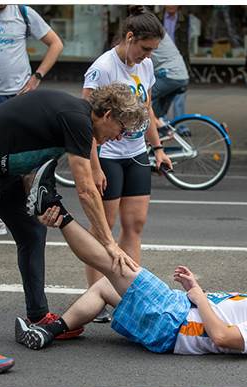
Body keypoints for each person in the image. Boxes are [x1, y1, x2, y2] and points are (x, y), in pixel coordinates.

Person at [15, 160, 247, 356]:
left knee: (113, 262)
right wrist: (195, 293)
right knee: (103, 287)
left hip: (173, 319)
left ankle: (53, 209)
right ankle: (49, 331)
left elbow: (223, 337)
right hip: (174, 315)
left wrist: (195, 293)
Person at [0, 83, 146, 373]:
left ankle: (38, 316)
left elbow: (34, 153)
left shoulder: (76, 118)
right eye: (121, 129)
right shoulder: (78, 119)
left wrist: (38, 198)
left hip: (1, 167)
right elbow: (87, 189)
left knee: (32, 232)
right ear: (108, 114)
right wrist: (109, 244)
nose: (120, 137)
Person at [83, 7, 173, 323]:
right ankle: (95, 298)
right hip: (106, 155)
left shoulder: (145, 66)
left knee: (135, 225)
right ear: (130, 37)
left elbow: (146, 109)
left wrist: (158, 148)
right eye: (145, 48)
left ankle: (126, 292)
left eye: (152, 51)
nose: (147, 56)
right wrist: (93, 166)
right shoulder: (103, 68)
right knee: (102, 229)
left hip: (136, 152)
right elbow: (86, 120)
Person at [161, 6, 192, 118]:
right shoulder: (157, 18)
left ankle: (180, 125)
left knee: (180, 96)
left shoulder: (184, 19)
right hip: (162, 60)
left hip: (180, 60)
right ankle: (162, 124)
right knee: (161, 96)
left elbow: (187, 42)